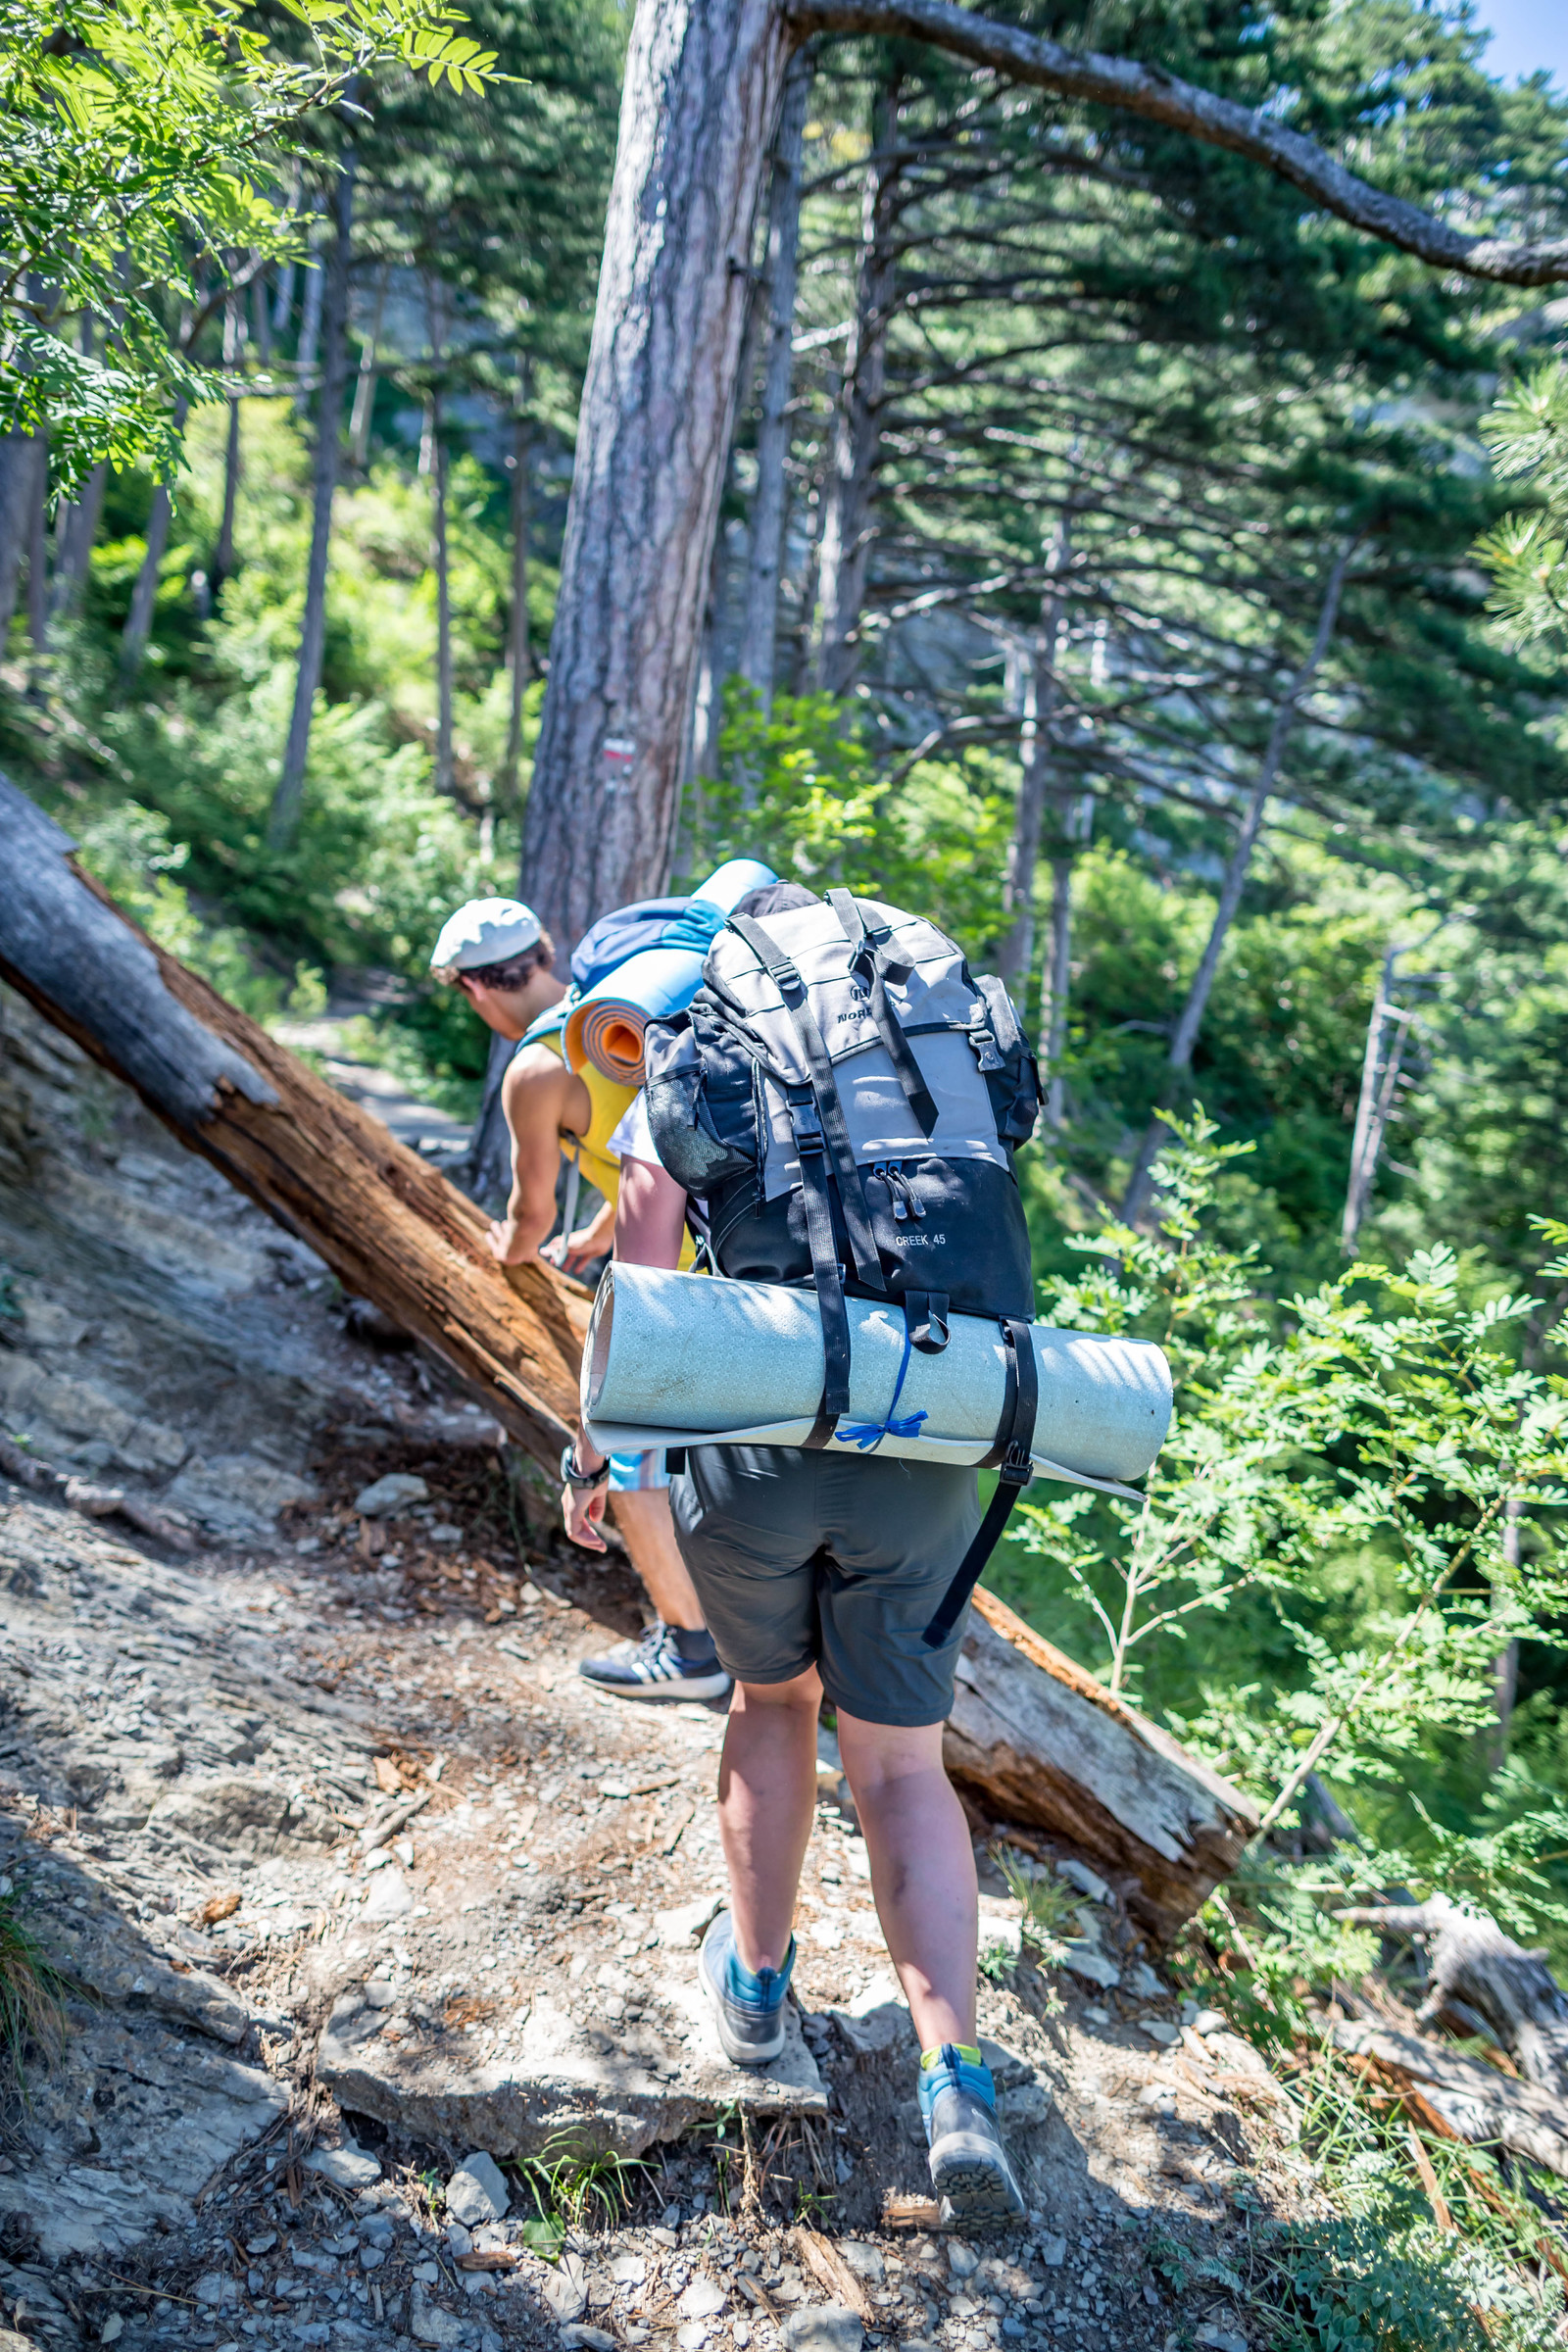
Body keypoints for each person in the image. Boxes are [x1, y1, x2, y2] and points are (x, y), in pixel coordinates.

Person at [557, 880, 1028, 2230]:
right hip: (942, 1436)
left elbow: (643, 1296)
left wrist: (605, 1461)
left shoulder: (697, 1060)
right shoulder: (916, 1067)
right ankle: (956, 2086)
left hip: (763, 1452)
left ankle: (758, 1997)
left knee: (773, 1707)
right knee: (901, 1767)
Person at [429, 895, 728, 1703]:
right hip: (740, 1263)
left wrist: (508, 1246)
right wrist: (601, 1231)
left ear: (475, 990)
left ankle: (691, 1649)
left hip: (680, 1285)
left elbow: (528, 1217)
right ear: (546, 951)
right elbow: (643, 1133)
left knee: (627, 1452)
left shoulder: (535, 1067)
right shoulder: (627, 1017)